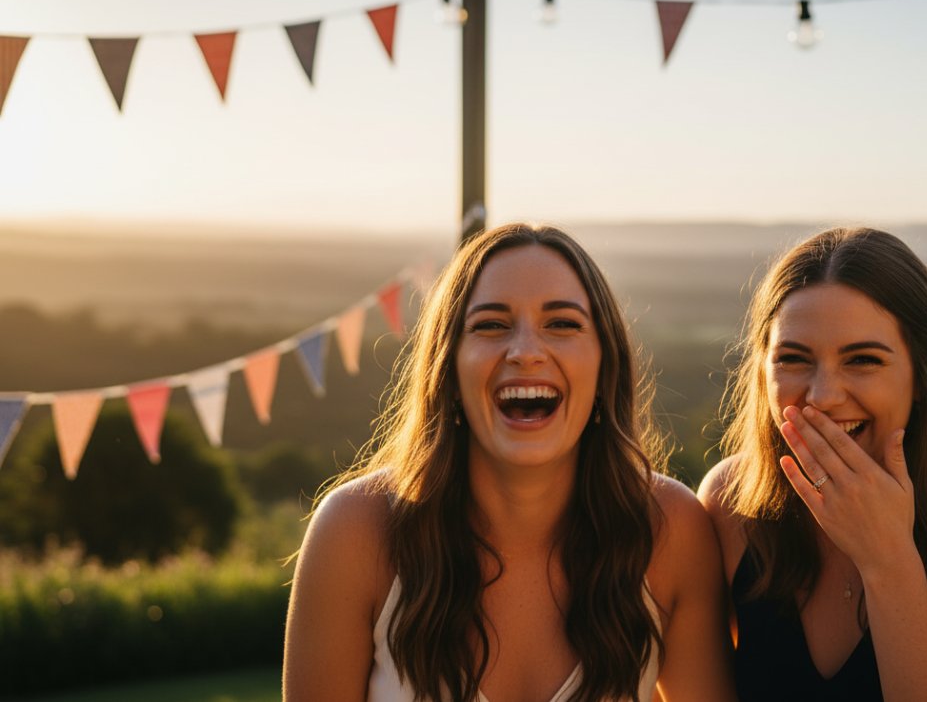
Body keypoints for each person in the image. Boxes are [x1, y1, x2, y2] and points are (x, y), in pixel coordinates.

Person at [285, 224, 734, 702]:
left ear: (605, 366)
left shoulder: (669, 530)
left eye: (562, 324)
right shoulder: (357, 530)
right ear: (449, 370)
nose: (524, 352)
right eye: (491, 325)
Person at [698, 227, 927, 701]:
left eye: (863, 360)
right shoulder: (730, 501)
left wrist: (887, 560)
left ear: (922, 374)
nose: (823, 397)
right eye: (793, 359)